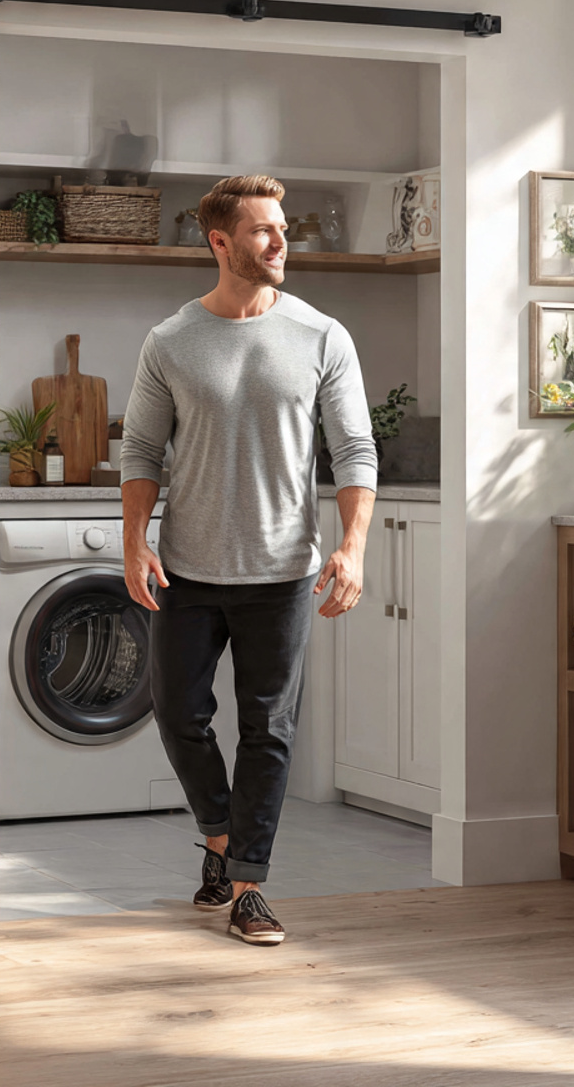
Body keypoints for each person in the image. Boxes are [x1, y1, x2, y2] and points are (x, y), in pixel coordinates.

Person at [121, 174, 377, 947]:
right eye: (263, 231)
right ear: (220, 242)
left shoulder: (322, 336)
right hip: (187, 569)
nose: (280, 243)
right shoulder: (170, 342)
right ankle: (221, 838)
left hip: (284, 573)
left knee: (269, 729)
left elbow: (354, 449)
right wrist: (134, 539)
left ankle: (248, 888)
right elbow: (140, 449)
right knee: (179, 714)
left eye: (284, 230)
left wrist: (354, 546)